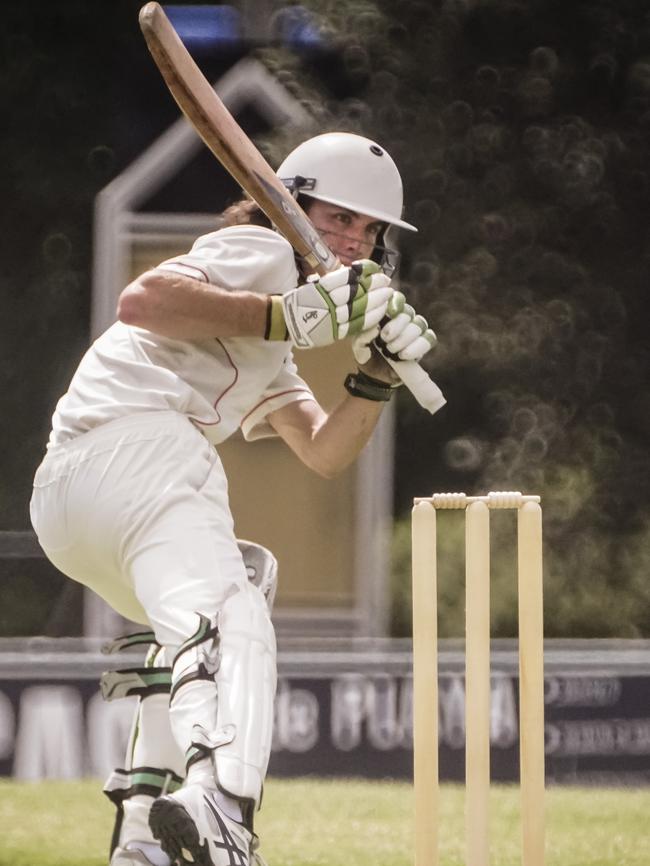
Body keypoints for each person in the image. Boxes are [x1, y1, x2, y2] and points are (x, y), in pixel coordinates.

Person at [29, 132, 437, 866]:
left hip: (73, 499)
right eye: (338, 218)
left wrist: (374, 375)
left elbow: (320, 448)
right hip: (140, 453)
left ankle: (144, 829)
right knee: (230, 615)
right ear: (293, 204)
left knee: (231, 590)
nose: (354, 240)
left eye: (369, 230)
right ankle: (222, 801)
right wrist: (285, 316)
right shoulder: (264, 248)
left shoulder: (265, 330)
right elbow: (142, 300)